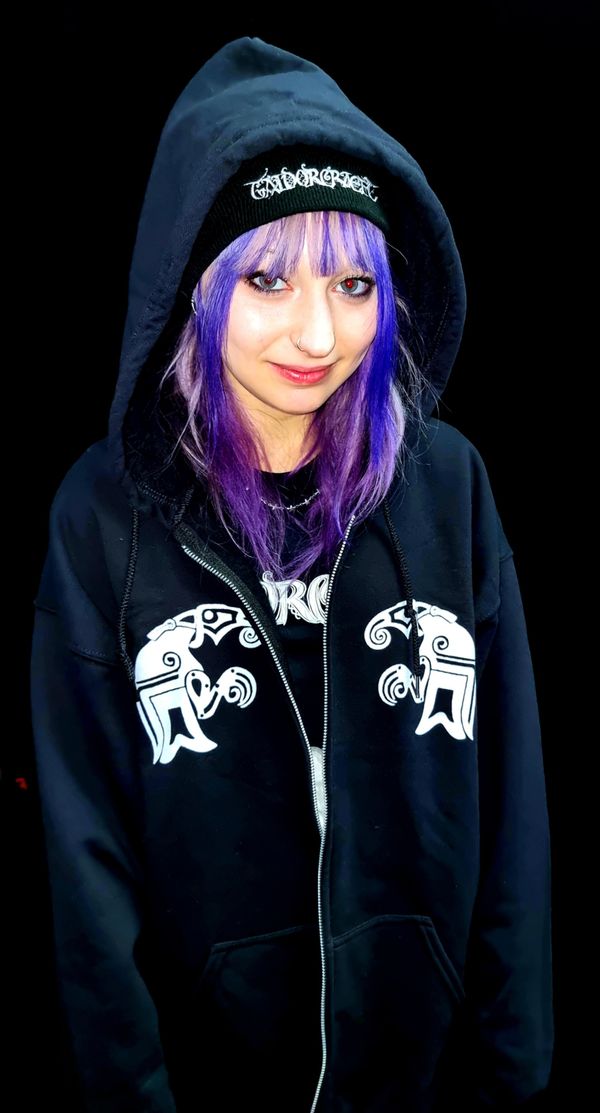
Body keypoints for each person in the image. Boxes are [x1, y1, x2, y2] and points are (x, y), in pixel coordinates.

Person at [30, 35, 554, 1113]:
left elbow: (514, 819)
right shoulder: (104, 516)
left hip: (427, 1081)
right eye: (266, 278)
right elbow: (81, 864)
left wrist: (513, 1075)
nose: (319, 334)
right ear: (193, 280)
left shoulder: (448, 487)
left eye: (355, 283)